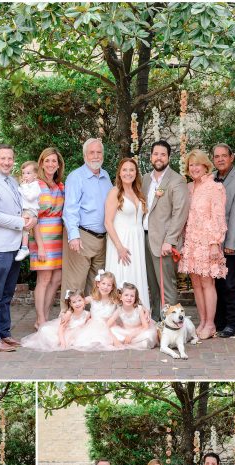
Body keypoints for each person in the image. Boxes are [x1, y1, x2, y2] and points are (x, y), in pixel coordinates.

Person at [0, 144, 31, 353]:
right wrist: (21, 221)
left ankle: (4, 333)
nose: (7, 162)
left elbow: (20, 206)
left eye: (10, 158)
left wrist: (28, 217)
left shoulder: (11, 181)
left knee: (6, 293)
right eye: (3, 158)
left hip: (14, 246)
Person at [179, 149, 227, 339]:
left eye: (198, 164)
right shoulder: (189, 188)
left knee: (208, 282)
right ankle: (202, 321)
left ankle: (210, 324)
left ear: (206, 165)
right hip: (191, 241)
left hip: (208, 242)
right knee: (196, 283)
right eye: (191, 165)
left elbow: (218, 216)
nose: (194, 168)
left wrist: (215, 242)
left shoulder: (215, 187)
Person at [142, 140, 190, 319]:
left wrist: (169, 241)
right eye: (156, 154)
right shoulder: (146, 179)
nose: (159, 157)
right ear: (151, 156)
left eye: (163, 154)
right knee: (152, 285)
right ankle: (156, 322)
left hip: (163, 242)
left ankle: (171, 325)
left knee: (166, 286)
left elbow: (180, 212)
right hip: (145, 238)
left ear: (169, 157)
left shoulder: (176, 180)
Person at [61, 138, 112, 298]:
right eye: (92, 152)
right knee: (75, 284)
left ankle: (91, 320)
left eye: (99, 152)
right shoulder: (76, 177)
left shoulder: (106, 176)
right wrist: (74, 236)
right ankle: (68, 317)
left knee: (97, 284)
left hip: (102, 239)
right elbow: (70, 209)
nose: (96, 156)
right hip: (82, 237)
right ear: (85, 156)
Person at [212, 143, 235, 338]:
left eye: (224, 156)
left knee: (230, 284)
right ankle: (218, 321)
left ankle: (233, 323)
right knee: (216, 283)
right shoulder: (211, 177)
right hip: (212, 242)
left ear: (231, 157)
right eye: (216, 156)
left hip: (228, 241)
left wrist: (231, 243)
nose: (220, 159)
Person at [27, 148, 66, 328]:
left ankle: (45, 315)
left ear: (59, 165)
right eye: (47, 161)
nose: (51, 164)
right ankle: (40, 319)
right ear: (41, 163)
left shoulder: (59, 185)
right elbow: (32, 217)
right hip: (41, 237)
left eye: (54, 161)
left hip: (58, 238)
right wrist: (40, 246)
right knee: (43, 279)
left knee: (57, 278)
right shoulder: (36, 185)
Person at [105, 157, 150, 306]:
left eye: (131, 170)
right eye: (124, 170)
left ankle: (137, 312)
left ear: (136, 173)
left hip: (137, 240)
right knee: (123, 274)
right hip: (122, 240)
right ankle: (118, 315)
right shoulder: (115, 192)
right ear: (119, 173)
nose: (128, 173)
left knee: (136, 274)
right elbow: (108, 222)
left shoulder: (138, 192)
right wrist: (119, 247)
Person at [21, 288, 90, 351]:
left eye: (79, 300)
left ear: (84, 301)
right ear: (70, 304)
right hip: (63, 334)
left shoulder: (87, 314)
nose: (77, 304)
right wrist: (63, 343)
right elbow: (61, 329)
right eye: (74, 302)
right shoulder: (68, 315)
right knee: (52, 338)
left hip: (75, 335)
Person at [109, 282, 158, 349]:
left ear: (135, 298)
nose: (129, 298)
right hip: (125, 332)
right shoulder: (119, 310)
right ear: (121, 297)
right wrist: (115, 340)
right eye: (126, 295)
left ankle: (131, 342)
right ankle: (124, 342)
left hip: (138, 332)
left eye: (132, 296)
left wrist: (131, 335)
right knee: (113, 330)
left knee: (148, 335)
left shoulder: (138, 309)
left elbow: (145, 326)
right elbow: (107, 325)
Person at [15, 161, 44, 263]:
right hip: (25, 209)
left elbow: (30, 197)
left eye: (28, 173)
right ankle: (23, 247)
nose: (25, 176)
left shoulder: (35, 186)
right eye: (23, 173)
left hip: (31, 210)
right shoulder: (26, 185)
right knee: (23, 227)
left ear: (35, 175)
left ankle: (24, 248)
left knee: (25, 225)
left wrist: (23, 187)